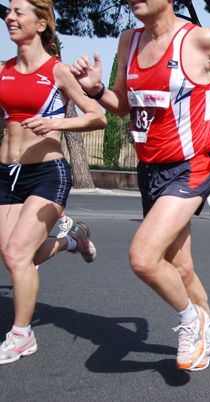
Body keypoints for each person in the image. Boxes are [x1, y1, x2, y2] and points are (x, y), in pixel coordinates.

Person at [70, 0, 210, 371]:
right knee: (179, 266)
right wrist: (95, 90)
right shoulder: (128, 41)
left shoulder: (199, 39)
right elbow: (121, 105)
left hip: (190, 166)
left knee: (142, 257)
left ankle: (192, 322)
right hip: (149, 170)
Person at [0, 0, 106, 366]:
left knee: (17, 255)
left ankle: (21, 335)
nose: (10, 17)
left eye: (19, 12)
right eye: (8, 12)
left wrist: (55, 123)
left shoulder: (57, 71)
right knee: (13, 258)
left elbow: (97, 118)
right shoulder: (3, 70)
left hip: (46, 172)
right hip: (5, 173)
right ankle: (71, 240)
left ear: (41, 24)